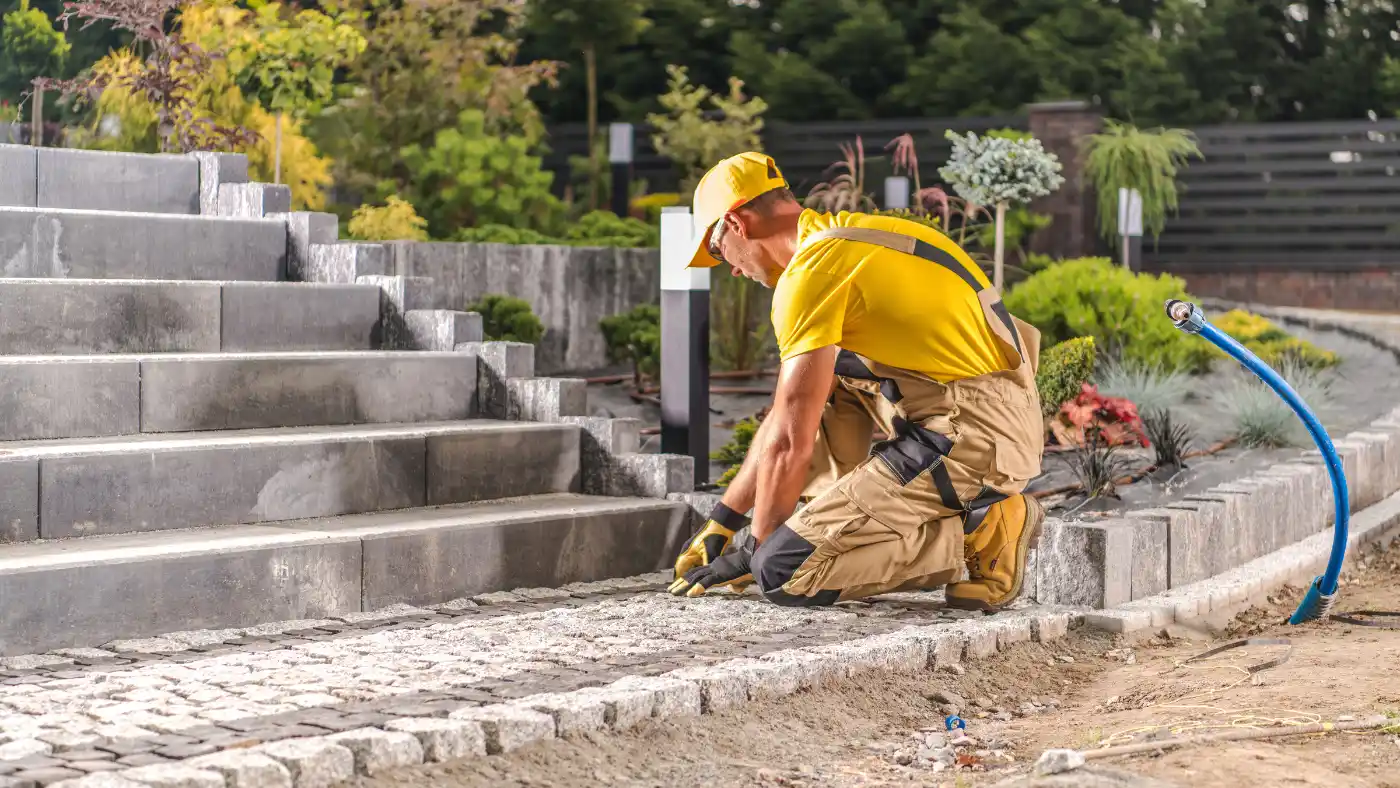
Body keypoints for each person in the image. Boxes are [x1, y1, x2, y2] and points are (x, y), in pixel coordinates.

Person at [667, 151, 1046, 612]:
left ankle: (980, 527)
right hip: (994, 413)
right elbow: (786, 419)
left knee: (782, 572)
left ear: (736, 223)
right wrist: (724, 521)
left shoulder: (811, 275)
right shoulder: (860, 237)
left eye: (716, 249)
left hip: (971, 438)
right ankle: (840, 517)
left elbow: (789, 442)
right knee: (831, 377)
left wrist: (756, 550)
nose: (729, 266)